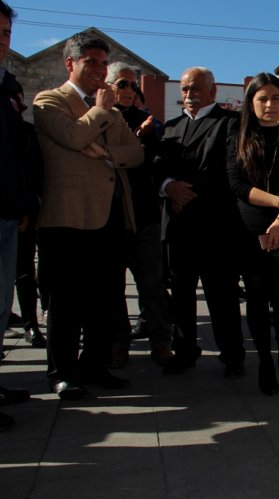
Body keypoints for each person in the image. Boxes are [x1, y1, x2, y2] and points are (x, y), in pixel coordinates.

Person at [33, 33, 143, 400]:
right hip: (67, 219)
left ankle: (94, 366)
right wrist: (97, 114)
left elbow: (137, 152)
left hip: (110, 217)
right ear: (71, 64)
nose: (99, 70)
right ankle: (62, 373)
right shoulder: (50, 100)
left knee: (106, 299)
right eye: (91, 62)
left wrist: (106, 152)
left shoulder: (110, 111)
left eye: (102, 62)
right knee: (66, 303)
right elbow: (74, 136)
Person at [154, 67, 245, 379]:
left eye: (195, 89)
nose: (189, 95)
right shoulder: (171, 127)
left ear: (212, 91)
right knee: (180, 296)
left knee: (222, 296)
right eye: (184, 89)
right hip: (179, 227)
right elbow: (157, 166)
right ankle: (185, 352)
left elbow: (226, 170)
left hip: (216, 227)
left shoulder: (230, 123)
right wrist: (168, 186)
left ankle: (232, 355)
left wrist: (185, 191)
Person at [227, 72, 279, 396]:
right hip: (249, 229)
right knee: (258, 300)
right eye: (263, 98)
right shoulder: (237, 138)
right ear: (251, 102)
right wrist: (278, 204)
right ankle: (264, 361)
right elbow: (238, 186)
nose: (270, 104)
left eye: (275, 98)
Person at [106, 61, 174, 368]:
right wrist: (134, 139)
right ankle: (118, 342)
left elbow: (154, 161)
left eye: (134, 86)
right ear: (108, 86)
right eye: (122, 84)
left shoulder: (149, 122)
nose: (130, 91)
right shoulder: (99, 118)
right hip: (110, 214)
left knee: (152, 282)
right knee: (112, 286)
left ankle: (161, 341)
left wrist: (144, 138)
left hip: (145, 212)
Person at [0, 0, 33, 428]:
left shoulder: (7, 87)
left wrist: (22, 204)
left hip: (8, 214)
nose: (2, 41)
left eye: (6, 34)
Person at [12, 85, 46, 348]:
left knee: (25, 271)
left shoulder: (25, 133)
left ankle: (30, 324)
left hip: (22, 211)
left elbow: (35, 173)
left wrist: (29, 206)